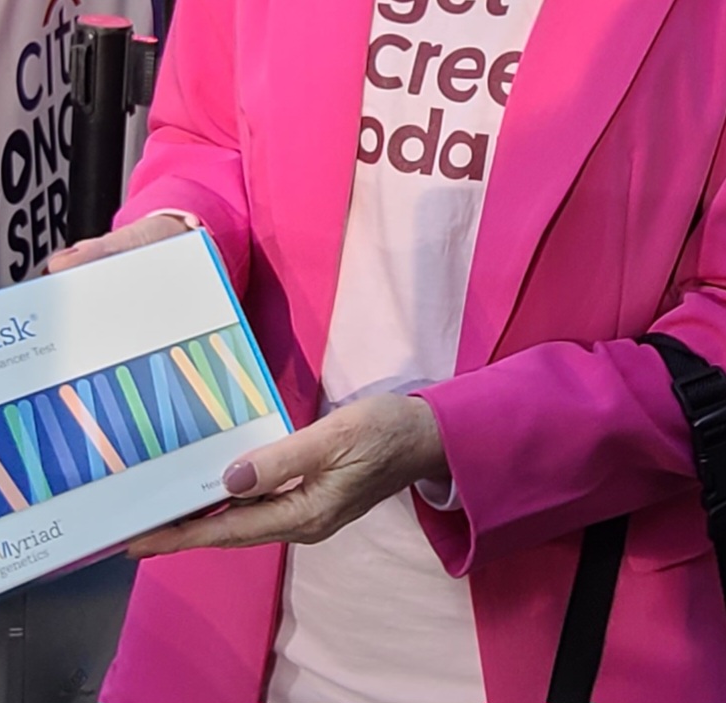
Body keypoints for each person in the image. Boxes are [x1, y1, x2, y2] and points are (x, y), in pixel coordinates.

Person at [48, 0, 726, 701]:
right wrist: (177, 234)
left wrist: (448, 439)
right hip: (224, 610)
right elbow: (208, 137)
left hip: (580, 620)